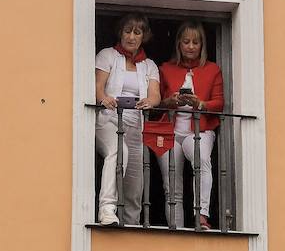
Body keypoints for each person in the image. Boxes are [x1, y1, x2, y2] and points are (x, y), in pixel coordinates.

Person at [156, 21, 225, 230]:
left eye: (196, 42)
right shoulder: (165, 69)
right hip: (170, 131)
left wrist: (200, 103)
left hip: (200, 130)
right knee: (172, 184)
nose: (191, 46)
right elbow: (155, 101)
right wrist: (170, 101)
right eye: (186, 41)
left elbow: (219, 103)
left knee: (202, 161)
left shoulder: (212, 69)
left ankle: (202, 216)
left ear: (202, 45)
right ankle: (175, 227)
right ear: (178, 43)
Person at [94, 12, 160, 226]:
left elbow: (155, 95)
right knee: (118, 151)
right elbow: (97, 88)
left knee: (135, 179)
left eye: (137, 32)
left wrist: (149, 102)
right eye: (127, 31)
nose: (131, 36)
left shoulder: (148, 65)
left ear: (144, 36)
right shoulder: (108, 55)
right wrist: (104, 98)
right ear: (120, 33)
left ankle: (131, 223)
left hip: (136, 126)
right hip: (109, 120)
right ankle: (106, 209)